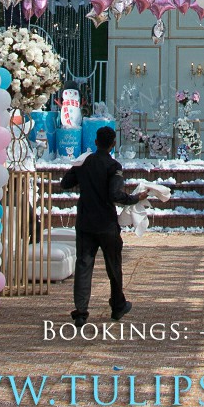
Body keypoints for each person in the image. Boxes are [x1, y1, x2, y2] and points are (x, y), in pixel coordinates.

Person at [60, 126, 147, 326]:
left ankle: (81, 312)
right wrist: (136, 198)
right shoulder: (113, 166)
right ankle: (117, 305)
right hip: (106, 224)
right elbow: (115, 195)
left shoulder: (83, 163)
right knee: (113, 265)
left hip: (85, 222)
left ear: (96, 142)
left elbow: (65, 183)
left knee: (83, 265)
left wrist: (79, 170)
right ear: (113, 144)